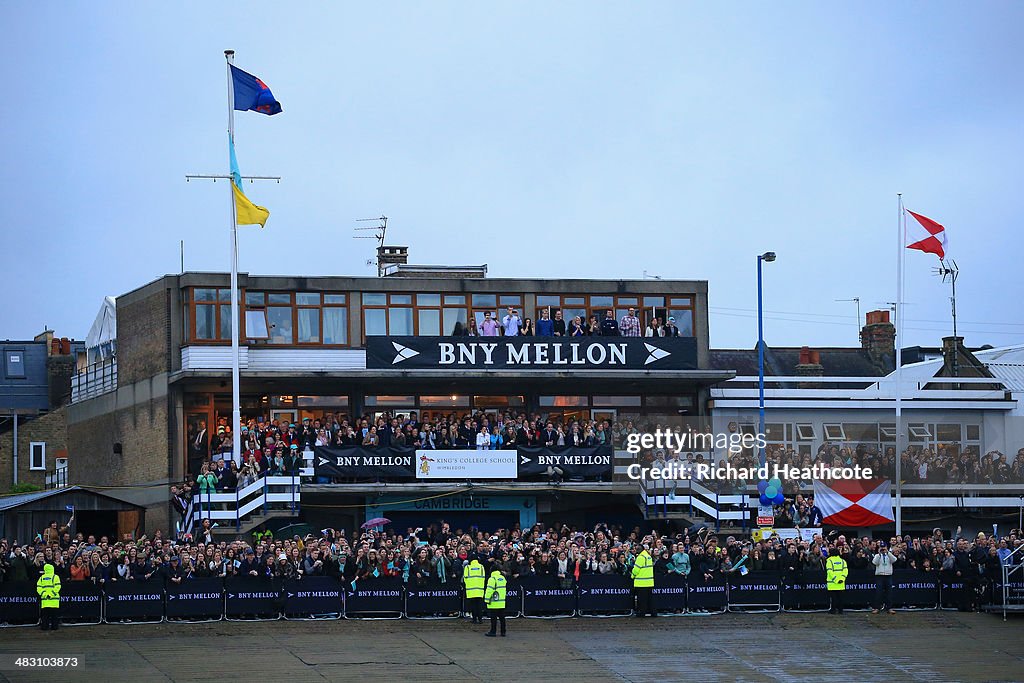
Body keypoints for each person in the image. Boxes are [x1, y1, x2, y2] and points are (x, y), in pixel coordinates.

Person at [871, 541, 897, 614]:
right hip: (879, 576)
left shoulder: (889, 555)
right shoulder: (877, 555)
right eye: (881, 547)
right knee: (878, 592)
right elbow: (874, 562)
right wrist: (879, 554)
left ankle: (889, 608)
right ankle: (877, 607)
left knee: (889, 592)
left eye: (884, 547)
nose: (883, 549)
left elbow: (894, 560)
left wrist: (887, 552)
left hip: (888, 575)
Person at [631, 542, 655, 617]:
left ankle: (642, 613)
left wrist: (632, 576)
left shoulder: (641, 557)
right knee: (650, 600)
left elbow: (636, 570)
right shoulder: (648, 556)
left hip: (641, 582)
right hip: (649, 582)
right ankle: (653, 612)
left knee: (642, 600)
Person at [37, 562, 62, 631]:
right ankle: (54, 627)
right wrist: (51, 594)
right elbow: (58, 587)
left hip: (45, 600)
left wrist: (44, 594)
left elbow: (39, 588)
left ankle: (44, 627)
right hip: (54, 600)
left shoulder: (42, 578)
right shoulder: (55, 577)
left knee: (45, 616)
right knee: (54, 616)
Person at [483, 567, 507, 637]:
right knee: (502, 617)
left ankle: (493, 632)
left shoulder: (492, 579)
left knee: (493, 618)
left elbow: (489, 590)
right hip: (502, 602)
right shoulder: (503, 578)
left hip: (494, 602)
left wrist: (486, 599)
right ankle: (503, 632)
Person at [825, 546, 848, 614]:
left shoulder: (829, 561)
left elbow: (829, 571)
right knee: (840, 597)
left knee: (833, 597)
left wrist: (835, 579)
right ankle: (840, 610)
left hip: (832, 583)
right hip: (841, 582)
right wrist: (842, 578)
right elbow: (845, 571)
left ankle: (833, 610)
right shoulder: (843, 561)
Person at [463, 557, 486, 624]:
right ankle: (480, 619)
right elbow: (483, 577)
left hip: (471, 590)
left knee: (473, 605)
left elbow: (465, 578)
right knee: (479, 605)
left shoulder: (467, 567)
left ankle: (474, 619)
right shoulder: (481, 567)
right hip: (480, 590)